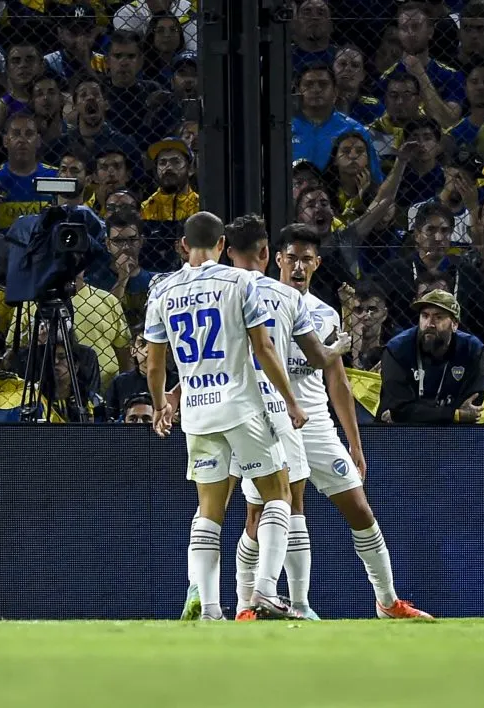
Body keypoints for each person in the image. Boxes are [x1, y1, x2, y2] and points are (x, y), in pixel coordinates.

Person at [144, 211, 307, 621]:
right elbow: (265, 349)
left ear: (184, 245)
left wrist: (162, 404)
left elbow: (153, 365)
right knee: (278, 494)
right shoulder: (241, 282)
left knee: (209, 510)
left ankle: (210, 608)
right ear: (221, 245)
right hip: (241, 405)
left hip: (197, 411)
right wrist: (289, 399)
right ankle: (267, 591)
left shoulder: (161, 290)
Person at [265, 228, 433, 620]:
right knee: (291, 506)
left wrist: (355, 443)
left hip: (318, 425)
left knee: (360, 509)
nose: (299, 266)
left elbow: (337, 381)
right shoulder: (260, 304)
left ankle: (388, 602)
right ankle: (296, 606)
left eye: (307, 259)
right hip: (276, 421)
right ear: (278, 259)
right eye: (292, 258)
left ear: (317, 263)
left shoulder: (324, 313)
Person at [210, 215, 350, 621]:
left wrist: (177, 394)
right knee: (287, 501)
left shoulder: (217, 292)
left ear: (223, 248)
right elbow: (308, 357)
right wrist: (338, 347)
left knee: (225, 509)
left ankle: (227, 604)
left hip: (223, 408)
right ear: (270, 255)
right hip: (272, 407)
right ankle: (272, 595)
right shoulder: (284, 298)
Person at [378, 289, 484, 425]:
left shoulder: (472, 350)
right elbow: (400, 410)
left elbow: (471, 406)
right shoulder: (397, 349)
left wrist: (415, 413)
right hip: (399, 434)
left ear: (454, 324)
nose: (430, 324)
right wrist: (454, 414)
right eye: (425, 316)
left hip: (451, 434)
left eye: (438, 317)